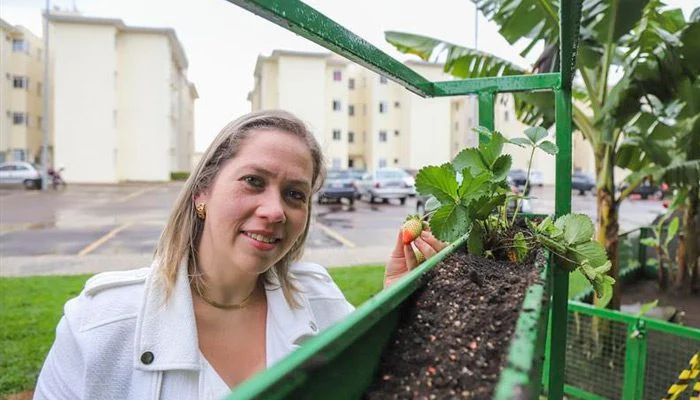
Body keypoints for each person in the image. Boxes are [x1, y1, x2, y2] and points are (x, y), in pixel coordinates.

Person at [34, 110, 446, 399]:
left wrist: (393, 301)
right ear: (203, 192)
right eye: (253, 181)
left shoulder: (322, 301)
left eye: (294, 194)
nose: (274, 211)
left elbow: (377, 383)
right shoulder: (97, 327)